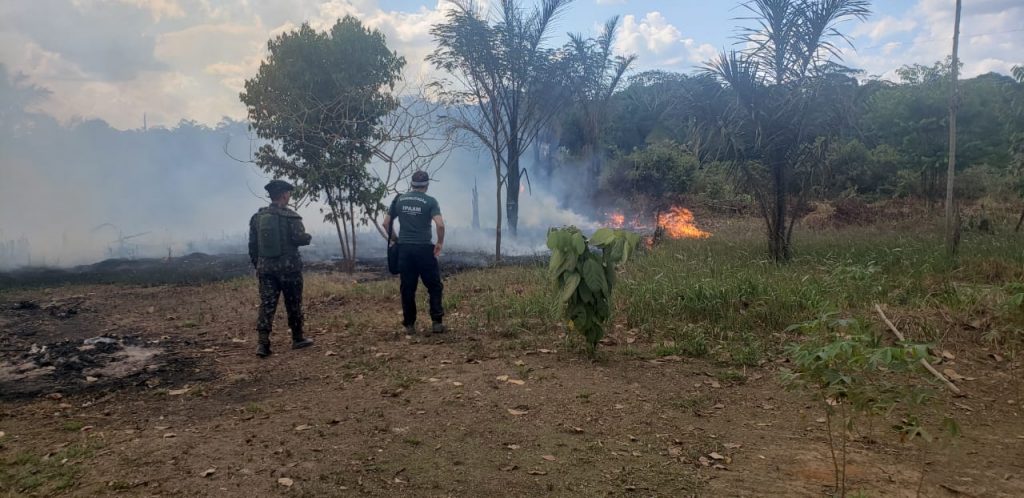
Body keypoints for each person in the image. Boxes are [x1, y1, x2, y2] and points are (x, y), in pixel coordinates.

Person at [248, 179, 314, 357]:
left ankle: (262, 344)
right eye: (288, 194)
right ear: (284, 195)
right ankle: (298, 338)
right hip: (289, 269)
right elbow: (299, 238)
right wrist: (308, 237)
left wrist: (259, 266)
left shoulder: (257, 218)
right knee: (293, 303)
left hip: (266, 270)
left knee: (267, 304)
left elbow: (252, 246)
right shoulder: (291, 216)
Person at [383, 171, 446, 336]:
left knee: (408, 288)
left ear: (411, 184)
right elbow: (440, 225)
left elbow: (386, 223)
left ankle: (410, 325)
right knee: (434, 285)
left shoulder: (399, 200)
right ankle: (437, 323)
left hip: (405, 249)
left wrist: (396, 240)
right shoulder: (430, 201)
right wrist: (439, 242)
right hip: (424, 249)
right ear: (427, 184)